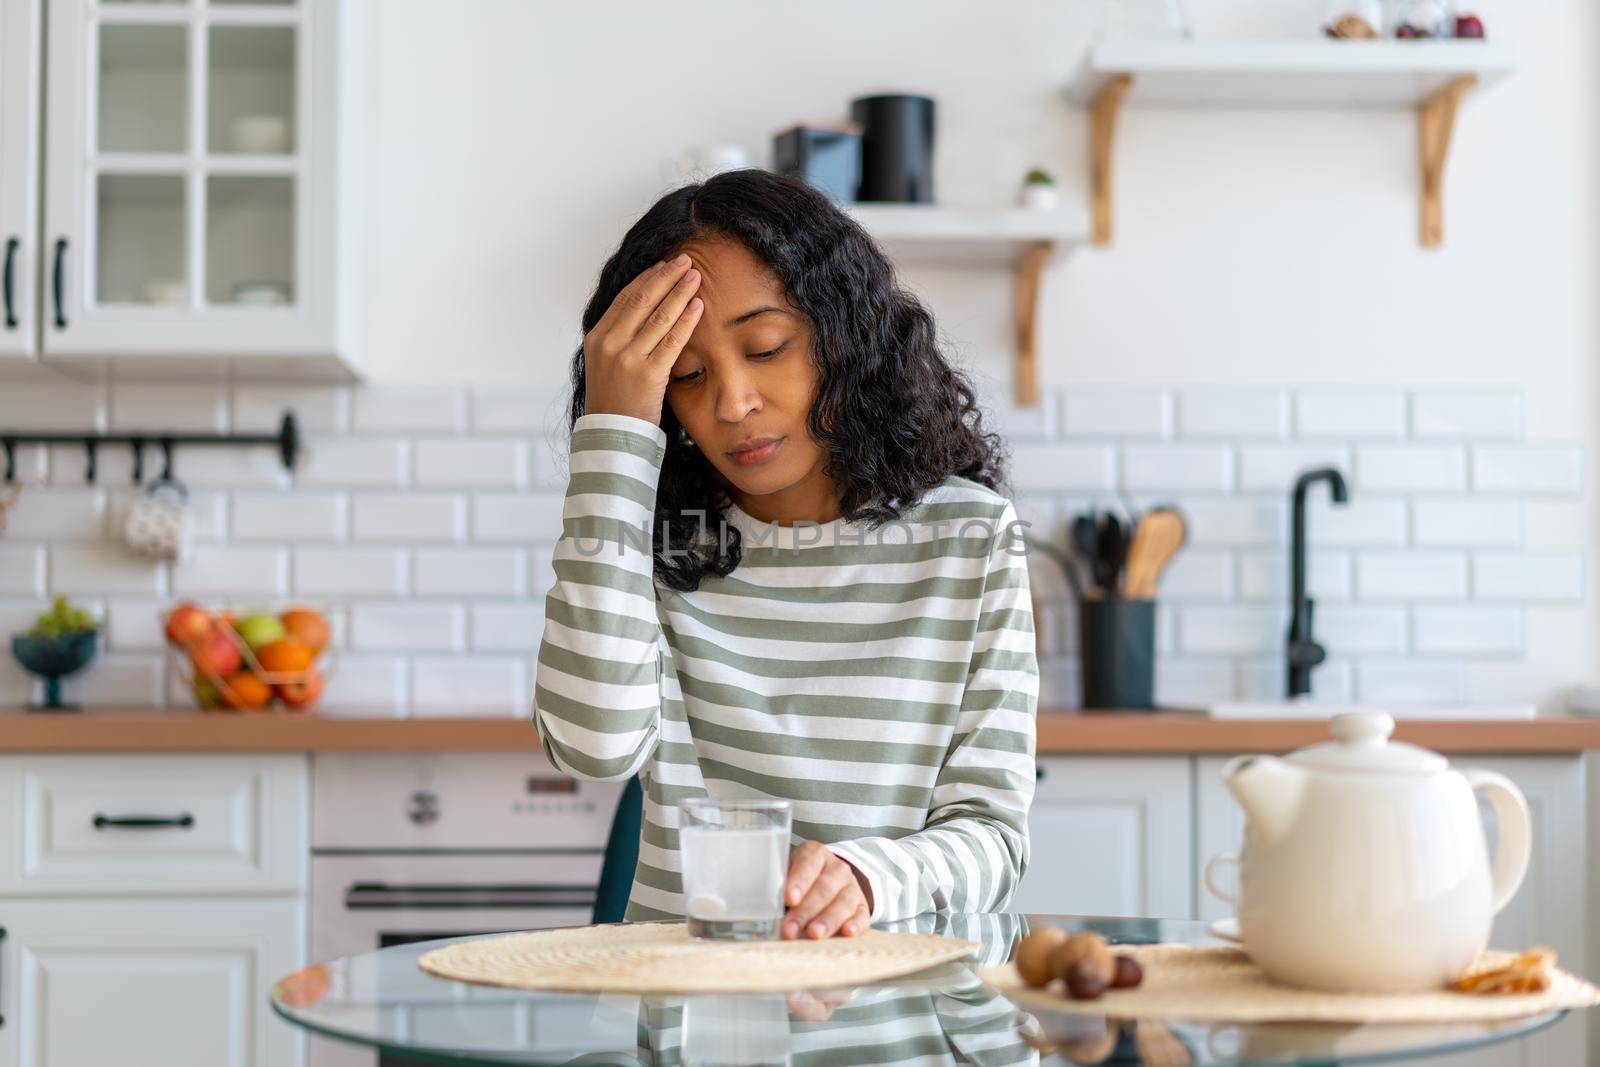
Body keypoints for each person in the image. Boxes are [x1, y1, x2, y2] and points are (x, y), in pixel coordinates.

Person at [533, 168, 1038, 940]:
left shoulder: (969, 538)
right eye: (688, 375)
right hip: (692, 1018)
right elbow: (593, 747)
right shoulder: (658, 539)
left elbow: (994, 838)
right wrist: (612, 437)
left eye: (766, 347)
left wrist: (869, 877)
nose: (732, 403)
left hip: (900, 1024)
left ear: (844, 335)